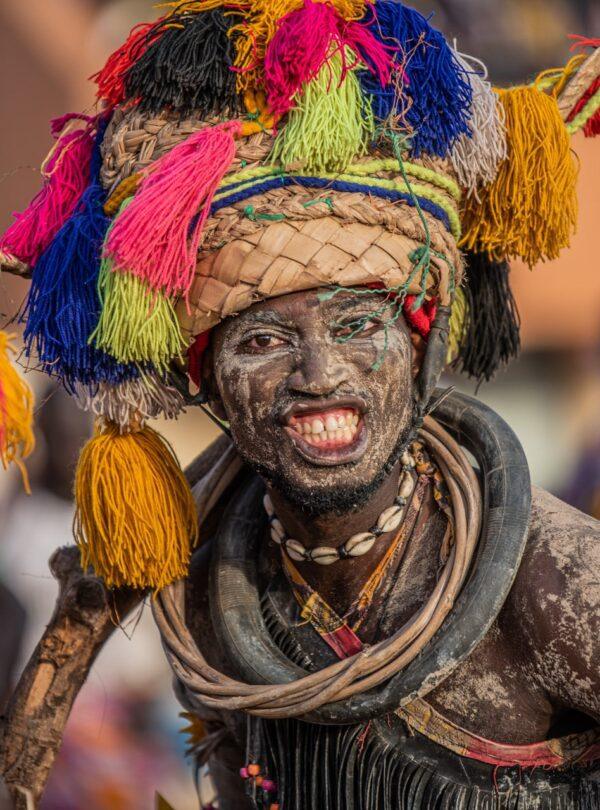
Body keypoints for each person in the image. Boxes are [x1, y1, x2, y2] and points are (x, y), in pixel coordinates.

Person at [1, 2, 599, 808]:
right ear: (205, 381)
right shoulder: (205, 596)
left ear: (420, 347)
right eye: (262, 343)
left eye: (358, 325)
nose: (319, 374)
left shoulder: (556, 589)